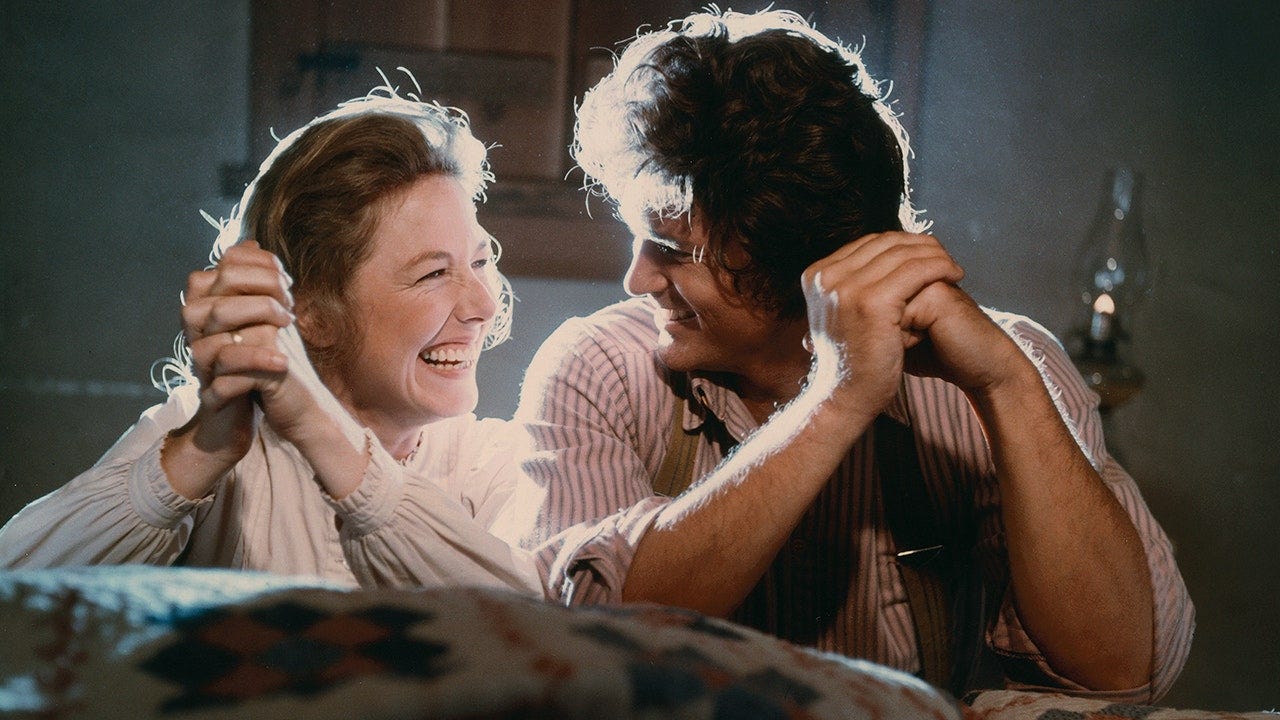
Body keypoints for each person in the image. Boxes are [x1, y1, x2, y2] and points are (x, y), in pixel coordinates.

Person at [513, 9, 1194, 700]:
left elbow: (1120, 671)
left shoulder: (1010, 363)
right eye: (641, 240)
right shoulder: (599, 367)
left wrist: (1006, 384)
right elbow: (579, 646)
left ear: (799, 256)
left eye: (676, 253)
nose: (638, 281)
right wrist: (836, 398)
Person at [0, 82, 542, 594]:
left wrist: (321, 430)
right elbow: (14, 590)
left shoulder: (497, 465)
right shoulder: (213, 434)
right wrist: (196, 454)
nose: (484, 306)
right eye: (433, 274)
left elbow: (538, 633)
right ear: (308, 312)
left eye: (479, 261)